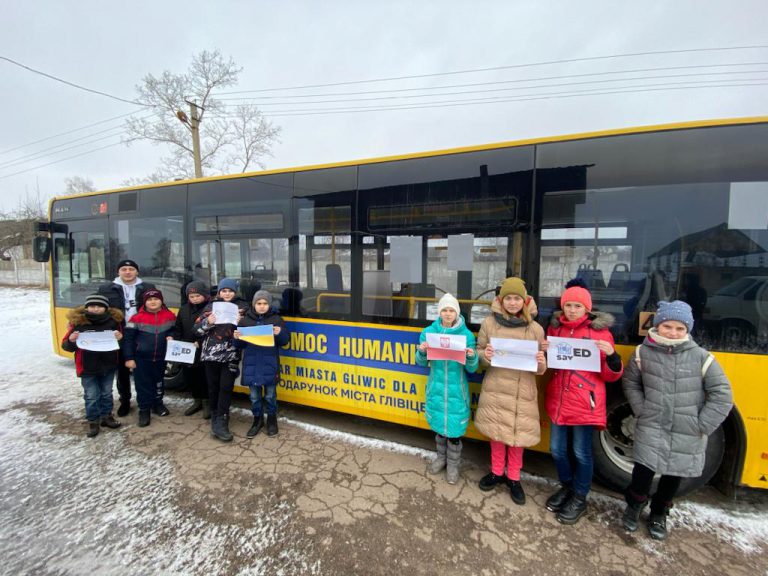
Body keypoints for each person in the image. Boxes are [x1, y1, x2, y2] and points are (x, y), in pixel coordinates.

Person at [622, 300, 732, 540]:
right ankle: (634, 505)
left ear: (687, 330)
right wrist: (641, 409)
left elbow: (722, 395)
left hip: (687, 429)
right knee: (642, 471)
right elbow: (631, 383)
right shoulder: (642, 353)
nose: (673, 332)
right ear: (657, 326)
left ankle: (659, 512)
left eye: (680, 328)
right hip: (651, 423)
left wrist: (702, 425)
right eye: (667, 326)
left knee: (673, 475)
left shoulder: (702, 357)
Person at [541, 279, 624, 524]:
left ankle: (579, 496)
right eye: (568, 305)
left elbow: (609, 375)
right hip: (559, 398)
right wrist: (544, 350)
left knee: (581, 452)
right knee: (557, 450)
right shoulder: (556, 329)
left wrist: (612, 356)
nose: (572, 310)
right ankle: (567, 486)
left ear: (587, 308)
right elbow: (552, 363)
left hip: (585, 401)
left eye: (578, 306)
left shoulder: (600, 333)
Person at [474, 277, 546, 505]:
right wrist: (484, 356)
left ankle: (514, 478)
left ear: (524, 301)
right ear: (501, 300)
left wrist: (541, 361)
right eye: (508, 298)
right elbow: (479, 352)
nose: (512, 303)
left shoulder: (535, 329)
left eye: (517, 298)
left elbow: (541, 368)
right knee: (496, 433)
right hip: (496, 386)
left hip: (521, 390)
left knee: (517, 436)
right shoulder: (489, 324)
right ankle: (496, 472)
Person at [415, 294, 479, 484]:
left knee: (454, 433)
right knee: (440, 429)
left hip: (457, 392)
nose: (448, 314)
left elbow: (472, 368)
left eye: (452, 310)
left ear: (457, 313)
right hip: (436, 389)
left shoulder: (466, 335)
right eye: (444, 310)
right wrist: (422, 351)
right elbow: (421, 362)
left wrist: (471, 356)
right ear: (439, 312)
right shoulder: (428, 333)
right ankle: (441, 458)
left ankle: (453, 465)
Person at [61, 294, 124, 437]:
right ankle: (93, 421)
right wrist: (71, 340)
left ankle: (107, 416)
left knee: (107, 393)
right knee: (91, 396)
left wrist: (120, 338)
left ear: (106, 308)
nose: (96, 309)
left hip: (108, 365)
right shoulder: (78, 322)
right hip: (87, 367)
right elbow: (66, 346)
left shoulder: (113, 322)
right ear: (86, 307)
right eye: (92, 306)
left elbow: (119, 344)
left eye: (99, 306)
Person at [98, 259, 155, 417]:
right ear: (118, 272)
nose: (128, 272)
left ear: (137, 271)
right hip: (120, 333)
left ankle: (150, 400)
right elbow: (98, 308)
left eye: (131, 269)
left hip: (143, 332)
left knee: (145, 368)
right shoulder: (106, 289)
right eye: (124, 269)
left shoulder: (147, 287)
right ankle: (125, 401)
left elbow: (157, 305)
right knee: (122, 370)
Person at [196, 278, 249, 442]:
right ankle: (215, 417)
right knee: (213, 387)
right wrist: (208, 322)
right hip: (210, 354)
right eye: (224, 291)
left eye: (230, 291)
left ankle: (222, 419)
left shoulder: (243, 308)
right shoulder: (210, 307)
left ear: (235, 292)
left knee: (226, 387)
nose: (227, 294)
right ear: (219, 292)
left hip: (231, 354)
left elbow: (250, 331)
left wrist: (242, 323)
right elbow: (195, 331)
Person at [234, 290, 290, 438]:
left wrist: (280, 333)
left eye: (265, 303)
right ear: (254, 304)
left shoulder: (276, 319)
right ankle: (257, 420)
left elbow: (285, 341)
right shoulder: (245, 321)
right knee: (254, 397)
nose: (262, 306)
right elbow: (239, 345)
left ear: (269, 305)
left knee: (270, 396)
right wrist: (236, 337)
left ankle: (272, 420)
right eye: (259, 303)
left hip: (269, 365)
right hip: (251, 365)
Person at [122, 289, 176, 427]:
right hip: (141, 359)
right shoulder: (135, 318)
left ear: (161, 301)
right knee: (143, 385)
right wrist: (129, 358)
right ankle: (144, 410)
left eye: (156, 299)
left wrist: (171, 335)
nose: (153, 302)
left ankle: (157, 404)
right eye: (149, 300)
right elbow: (128, 339)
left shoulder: (170, 316)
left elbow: (174, 330)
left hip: (161, 357)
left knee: (159, 383)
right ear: (144, 302)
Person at [172, 281, 211, 419]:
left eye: (197, 296)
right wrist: (176, 342)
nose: (194, 299)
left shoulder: (209, 309)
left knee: (204, 377)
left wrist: (200, 342)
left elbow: (213, 330)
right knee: (190, 376)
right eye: (191, 296)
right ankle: (197, 400)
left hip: (203, 349)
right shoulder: (183, 309)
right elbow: (178, 328)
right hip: (186, 350)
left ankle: (207, 403)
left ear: (205, 295)